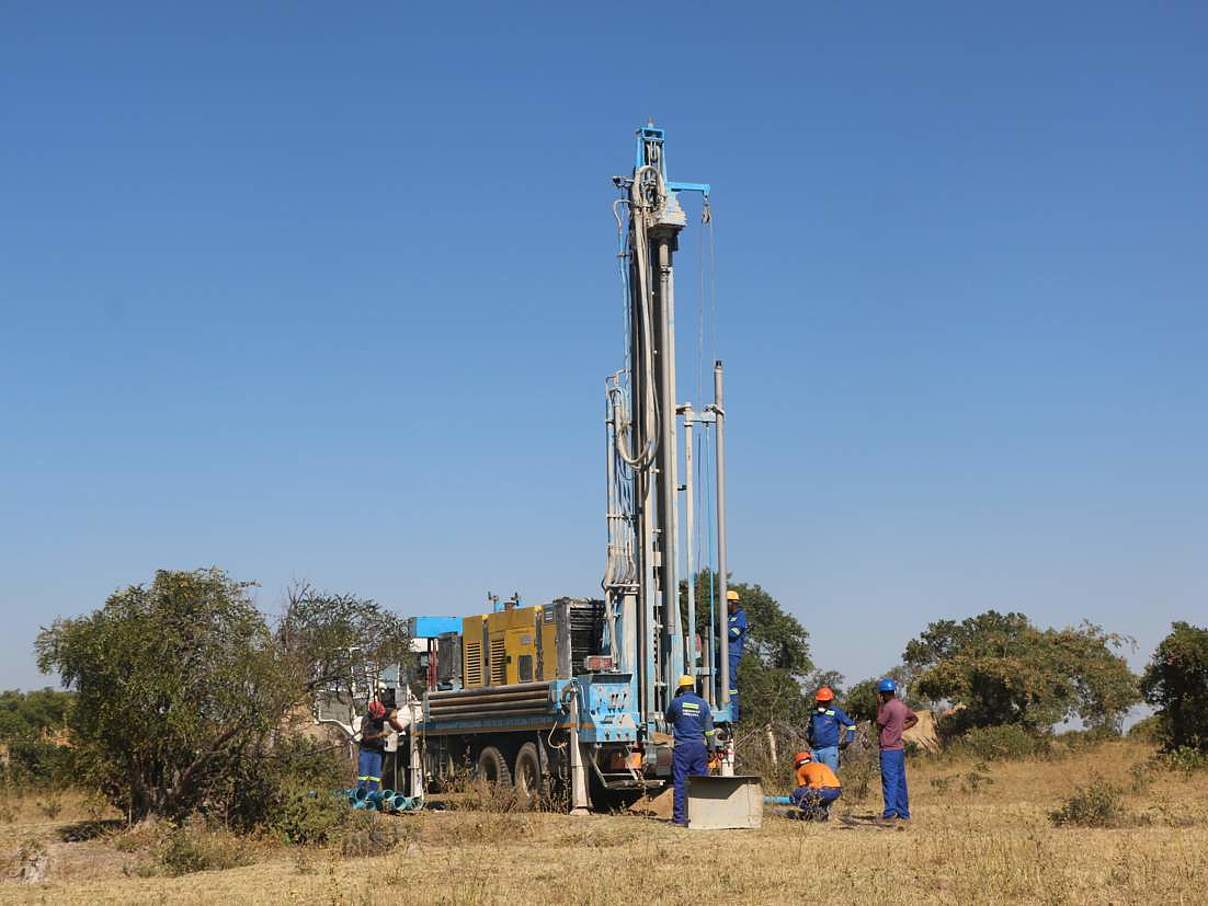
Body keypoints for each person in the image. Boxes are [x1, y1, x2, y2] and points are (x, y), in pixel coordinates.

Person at [665, 674, 717, 827]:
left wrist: (676, 698)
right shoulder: (702, 704)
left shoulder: (676, 703)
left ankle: (679, 819)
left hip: (682, 748)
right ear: (694, 687)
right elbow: (709, 730)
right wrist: (711, 748)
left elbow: (668, 719)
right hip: (699, 748)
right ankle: (702, 817)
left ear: (680, 688)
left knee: (680, 782)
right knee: (701, 782)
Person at [875, 678, 917, 823]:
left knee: (889, 782)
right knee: (900, 782)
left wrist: (879, 706)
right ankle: (904, 813)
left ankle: (889, 812)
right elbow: (914, 718)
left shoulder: (887, 707)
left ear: (883, 694)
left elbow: (879, 723)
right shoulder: (901, 706)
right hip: (899, 749)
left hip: (888, 750)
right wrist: (901, 728)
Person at [806, 686, 857, 772]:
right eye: (821, 701)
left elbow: (851, 725)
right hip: (815, 751)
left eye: (825, 702)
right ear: (818, 701)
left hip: (830, 750)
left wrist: (848, 740)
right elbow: (811, 727)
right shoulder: (814, 713)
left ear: (830, 701)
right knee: (816, 780)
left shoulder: (835, 712)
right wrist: (810, 740)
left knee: (829, 779)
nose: (823, 704)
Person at [789, 751, 843, 821]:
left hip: (822, 792)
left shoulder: (801, 770)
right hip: (836, 792)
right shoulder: (821, 765)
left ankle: (815, 812)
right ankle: (823, 815)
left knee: (793, 796)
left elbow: (802, 788)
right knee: (816, 797)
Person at [357, 699, 390, 792]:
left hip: (377, 752)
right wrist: (379, 735)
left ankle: (372, 796)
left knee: (375, 777)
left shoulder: (382, 717)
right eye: (379, 715)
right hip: (366, 751)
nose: (381, 717)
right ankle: (360, 797)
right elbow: (366, 737)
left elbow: (391, 714)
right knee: (363, 776)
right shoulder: (366, 720)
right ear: (373, 714)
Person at [725, 589, 748, 721]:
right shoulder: (727, 617)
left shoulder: (740, 615)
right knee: (719, 681)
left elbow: (733, 633)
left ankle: (733, 716)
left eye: (726, 603)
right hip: (723, 652)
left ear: (733, 603)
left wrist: (722, 629)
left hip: (732, 653)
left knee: (731, 684)